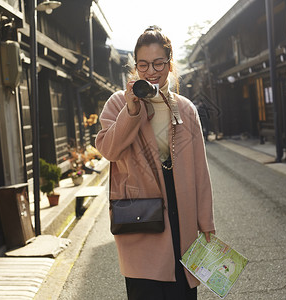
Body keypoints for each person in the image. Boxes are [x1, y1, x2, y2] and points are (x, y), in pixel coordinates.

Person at [95, 26, 215, 300]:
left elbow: (200, 171)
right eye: (143, 64)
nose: (151, 71)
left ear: (169, 64)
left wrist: (206, 221)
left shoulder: (184, 108)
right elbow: (108, 150)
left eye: (159, 63)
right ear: (135, 67)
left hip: (181, 211)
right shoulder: (118, 103)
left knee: (181, 288)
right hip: (141, 215)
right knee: (145, 288)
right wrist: (132, 110)